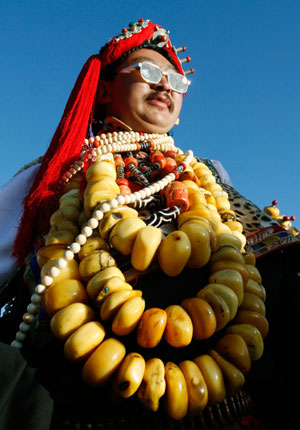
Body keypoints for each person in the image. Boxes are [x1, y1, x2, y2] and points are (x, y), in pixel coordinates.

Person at [0, 19, 299, 430]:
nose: (165, 87)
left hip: (225, 409)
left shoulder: (208, 177)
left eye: (176, 80)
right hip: (79, 410)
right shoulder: (56, 176)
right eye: (149, 73)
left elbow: (267, 268)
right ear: (104, 90)